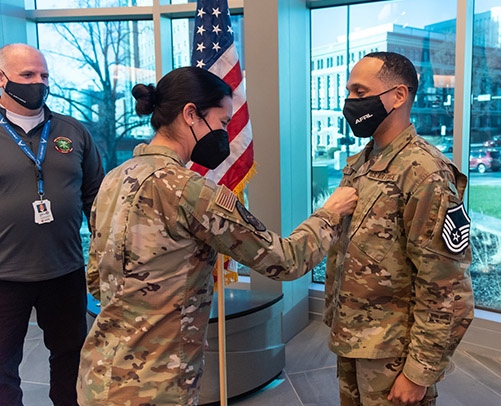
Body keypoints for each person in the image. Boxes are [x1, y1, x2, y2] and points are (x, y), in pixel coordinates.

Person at [77, 66, 358, 405]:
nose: (226, 133)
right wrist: (330, 213)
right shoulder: (189, 191)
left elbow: (96, 278)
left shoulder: (114, 179)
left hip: (98, 374)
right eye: (223, 122)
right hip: (155, 387)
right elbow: (285, 260)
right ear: (192, 114)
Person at [255, 51, 474, 405]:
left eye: (359, 92)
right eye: (349, 93)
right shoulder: (361, 163)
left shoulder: (425, 173)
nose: (349, 103)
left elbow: (447, 288)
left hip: (393, 354)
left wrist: (419, 372)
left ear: (399, 96)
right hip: (354, 339)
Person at [0, 43, 105, 405]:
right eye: (27, 75)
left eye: (44, 75)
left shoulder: (73, 132)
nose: (38, 82)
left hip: (65, 270)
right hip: (4, 277)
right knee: (2, 370)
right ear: (2, 79)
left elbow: (97, 198)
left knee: (71, 359)